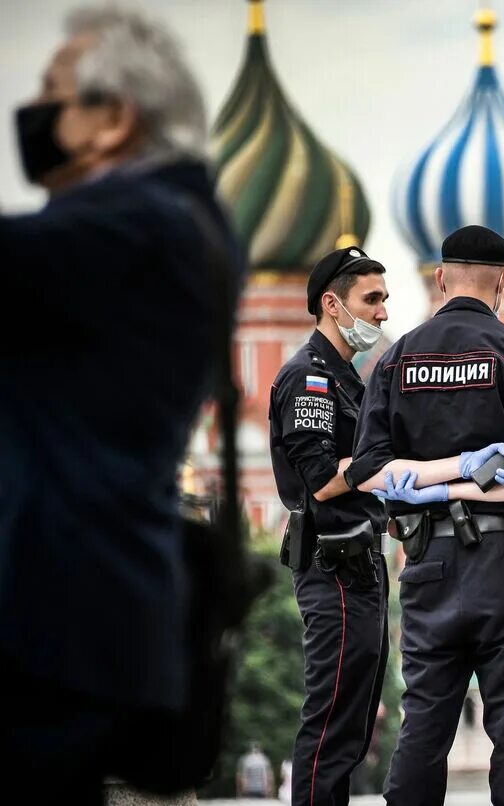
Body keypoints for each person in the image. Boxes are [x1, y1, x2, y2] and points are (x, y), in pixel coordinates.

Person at [0, 8, 239, 803]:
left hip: (55, 613)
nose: (34, 112)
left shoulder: (139, 227)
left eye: (53, 94)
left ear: (111, 119)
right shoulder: (180, 223)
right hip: (83, 608)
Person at [349, 225, 504, 806]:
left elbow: (367, 466)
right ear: (502, 281)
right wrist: (475, 488)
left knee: (423, 724)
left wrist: (435, 490)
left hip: (428, 563)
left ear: (441, 278)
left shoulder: (396, 358)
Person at [268, 246, 392, 806]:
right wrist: (393, 466)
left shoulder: (346, 377)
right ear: (332, 304)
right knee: (331, 726)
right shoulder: (309, 378)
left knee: (354, 726)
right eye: (372, 300)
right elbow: (320, 479)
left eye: (384, 299)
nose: (383, 313)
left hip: (362, 567)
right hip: (333, 567)